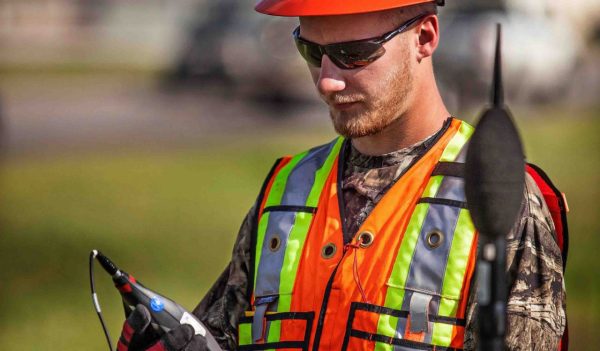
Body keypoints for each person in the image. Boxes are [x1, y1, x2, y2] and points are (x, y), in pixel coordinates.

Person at [116, 1, 566, 350]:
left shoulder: (498, 194)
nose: (327, 81)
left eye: (353, 55)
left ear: (424, 37)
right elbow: (219, 334)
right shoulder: (284, 190)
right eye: (312, 51)